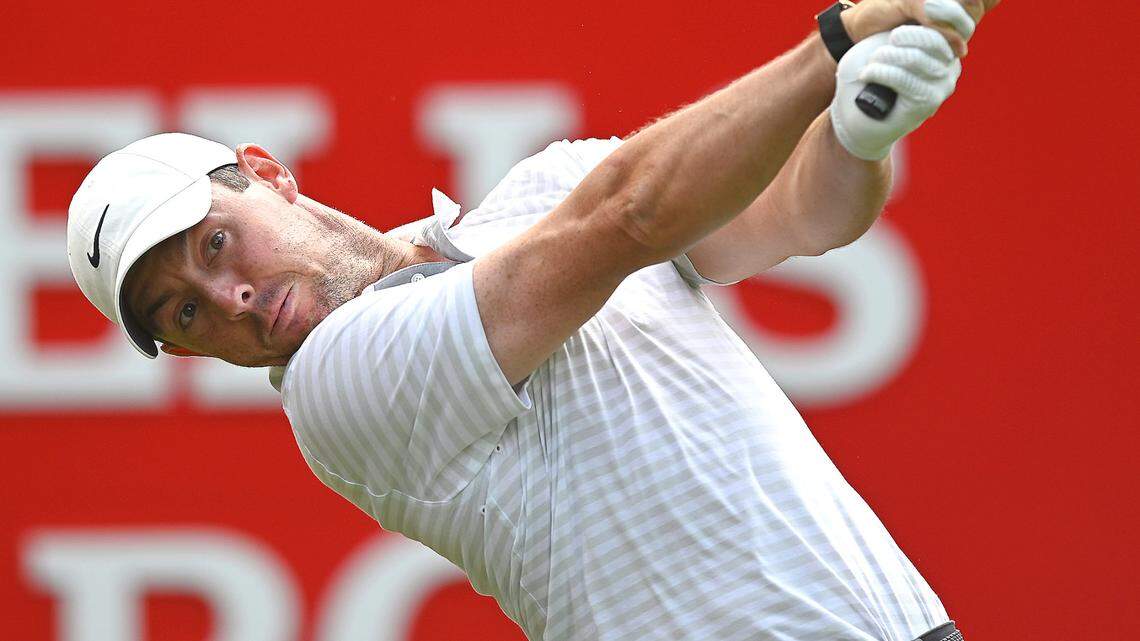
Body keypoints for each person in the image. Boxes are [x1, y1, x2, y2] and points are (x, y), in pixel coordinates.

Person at [65, 0, 998, 638]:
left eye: (217, 243)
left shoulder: (545, 190)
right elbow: (627, 218)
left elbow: (807, 213)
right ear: (187, 347)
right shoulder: (336, 387)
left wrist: (859, 131)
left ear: (269, 174)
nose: (228, 298)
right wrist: (836, 42)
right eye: (185, 309)